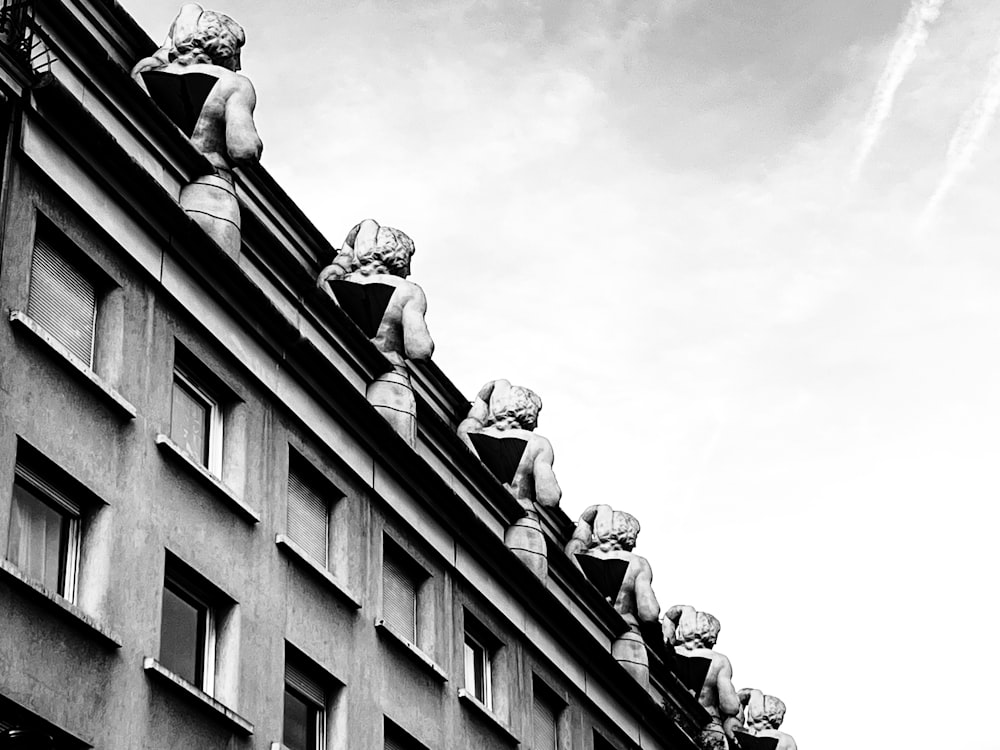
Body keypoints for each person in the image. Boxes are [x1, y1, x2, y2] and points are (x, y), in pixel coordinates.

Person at [131, 3, 262, 256]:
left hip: (152, 179)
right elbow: (243, 150)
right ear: (225, 47)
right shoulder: (233, 84)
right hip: (210, 194)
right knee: (212, 287)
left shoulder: (145, 74)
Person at [317, 219, 433, 446]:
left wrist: (344, 257)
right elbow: (419, 350)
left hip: (337, 374)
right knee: (395, 468)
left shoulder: (332, 282)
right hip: (390, 386)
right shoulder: (408, 291)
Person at [565, 505, 659, 688]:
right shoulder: (638, 564)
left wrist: (585, 523)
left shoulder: (576, 553)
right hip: (626, 643)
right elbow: (649, 613)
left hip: (582, 628)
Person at [457, 379, 560, 509]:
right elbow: (549, 498)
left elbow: (474, 418)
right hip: (522, 522)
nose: (537, 424)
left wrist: (482, 400)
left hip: (470, 504)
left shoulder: (468, 431)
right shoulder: (538, 443)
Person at [662, 605, 741, 750]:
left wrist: (676, 614)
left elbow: (665, 630)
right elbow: (730, 706)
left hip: (669, 718)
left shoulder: (669, 651)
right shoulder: (720, 661)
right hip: (708, 728)